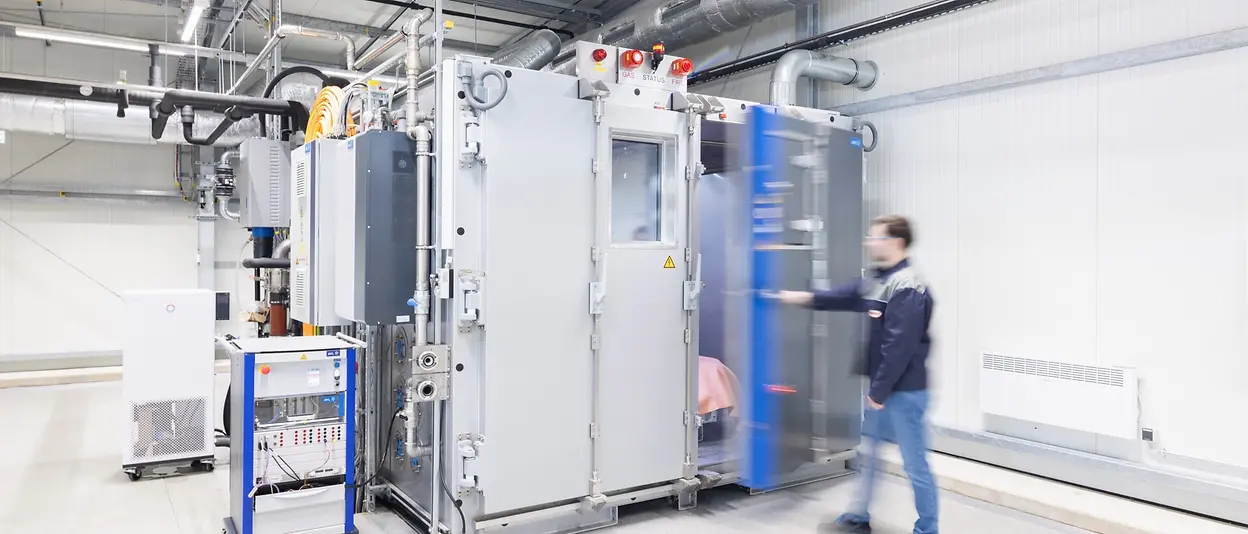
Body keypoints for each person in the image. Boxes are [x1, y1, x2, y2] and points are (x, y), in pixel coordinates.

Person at [773, 214, 937, 534]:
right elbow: (843, 297)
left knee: (915, 464)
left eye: (875, 238)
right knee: (869, 457)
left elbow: (899, 346)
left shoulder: (908, 284)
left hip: (905, 392)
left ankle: (928, 529)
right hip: (882, 389)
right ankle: (858, 515)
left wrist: (878, 392)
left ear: (895, 242)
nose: (868, 243)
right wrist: (791, 297)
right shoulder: (878, 279)